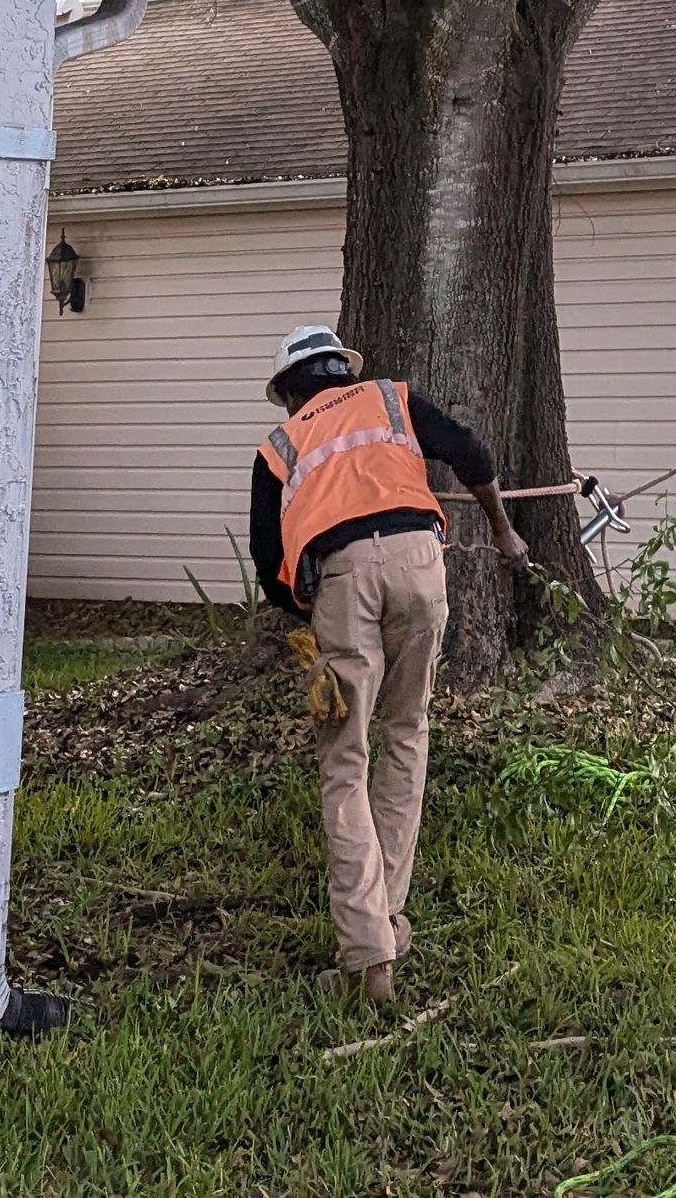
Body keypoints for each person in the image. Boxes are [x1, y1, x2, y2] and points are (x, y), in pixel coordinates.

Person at [250, 320, 529, 1003]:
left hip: (343, 579)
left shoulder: (280, 444)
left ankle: (367, 958)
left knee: (345, 759)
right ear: (341, 369)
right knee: (406, 734)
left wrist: (307, 615)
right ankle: (389, 921)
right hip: (419, 563)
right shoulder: (392, 400)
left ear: (290, 389)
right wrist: (501, 527)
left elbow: (267, 561)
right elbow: (470, 452)